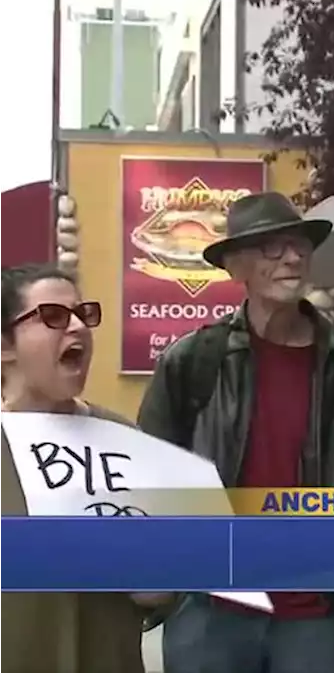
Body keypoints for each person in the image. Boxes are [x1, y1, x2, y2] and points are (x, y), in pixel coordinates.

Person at [137, 192, 334, 673]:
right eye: (271, 248)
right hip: (212, 610)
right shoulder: (195, 360)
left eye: (299, 245)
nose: (293, 257)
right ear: (235, 268)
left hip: (320, 614)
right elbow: (148, 477)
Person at [0, 264, 151, 673]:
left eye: (83, 315)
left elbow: (157, 592)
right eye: (52, 317)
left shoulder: (123, 438)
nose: (78, 327)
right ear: (4, 345)